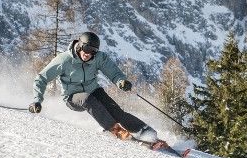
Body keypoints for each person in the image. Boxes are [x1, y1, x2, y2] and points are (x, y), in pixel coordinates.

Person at [30, 31, 164, 146]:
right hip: (73, 97)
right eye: (87, 49)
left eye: (93, 51)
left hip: (94, 90)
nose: (89, 53)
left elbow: (113, 72)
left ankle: (145, 132)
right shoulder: (64, 60)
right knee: (88, 99)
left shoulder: (98, 58)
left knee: (116, 111)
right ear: (80, 45)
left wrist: (121, 81)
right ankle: (115, 130)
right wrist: (37, 100)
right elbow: (41, 78)